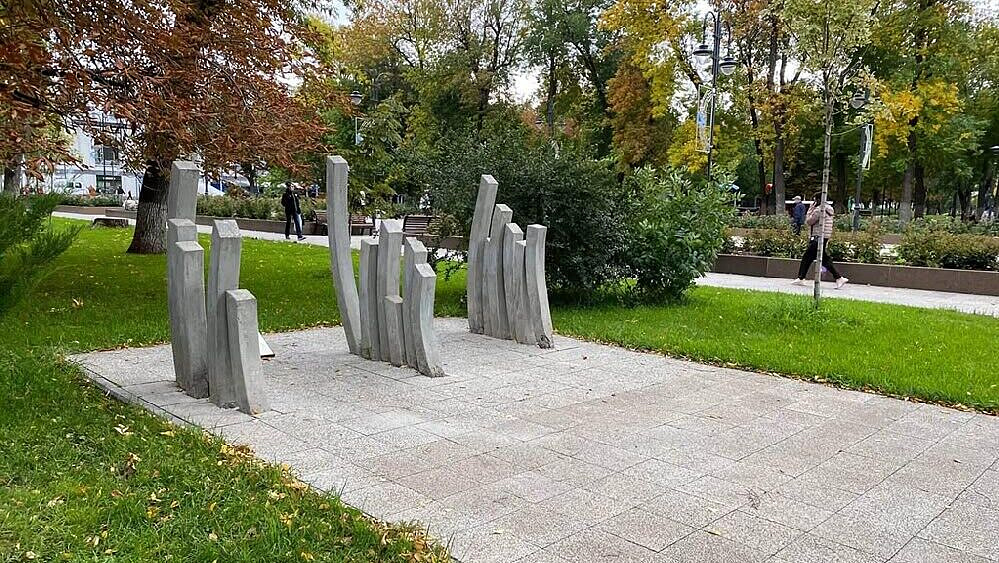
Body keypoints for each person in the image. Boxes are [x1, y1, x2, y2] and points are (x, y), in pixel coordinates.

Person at [792, 192, 849, 289]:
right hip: (824, 236)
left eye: (815, 200)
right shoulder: (828, 208)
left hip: (817, 236)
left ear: (818, 200)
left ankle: (838, 277)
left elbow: (809, 221)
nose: (814, 202)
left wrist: (810, 209)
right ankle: (801, 277)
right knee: (811, 257)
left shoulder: (819, 210)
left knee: (817, 258)